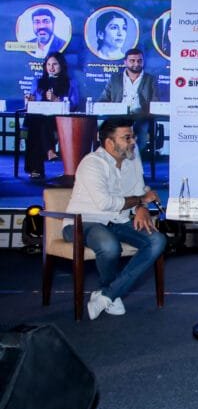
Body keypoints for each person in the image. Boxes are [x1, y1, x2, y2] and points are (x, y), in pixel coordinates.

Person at [63, 117, 167, 320]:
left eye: (133, 136)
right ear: (109, 143)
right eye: (127, 138)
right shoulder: (92, 163)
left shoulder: (132, 158)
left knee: (157, 240)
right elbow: (105, 203)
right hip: (84, 222)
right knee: (109, 246)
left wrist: (141, 207)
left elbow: (140, 190)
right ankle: (111, 293)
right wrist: (140, 200)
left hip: (118, 221)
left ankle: (107, 294)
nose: (133, 141)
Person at [24, 51, 81, 179]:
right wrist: (29, 100)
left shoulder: (70, 82)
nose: (51, 67)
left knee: (41, 124)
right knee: (38, 123)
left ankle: (37, 167)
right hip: (39, 117)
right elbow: (32, 101)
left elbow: (74, 104)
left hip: (59, 119)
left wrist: (56, 100)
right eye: (48, 64)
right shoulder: (38, 81)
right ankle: (49, 151)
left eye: (55, 64)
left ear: (61, 65)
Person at [99, 48, 158, 153]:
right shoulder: (115, 79)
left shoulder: (150, 79)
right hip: (117, 115)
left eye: (139, 60)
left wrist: (144, 111)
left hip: (141, 116)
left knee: (140, 132)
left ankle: (133, 157)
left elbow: (155, 101)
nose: (136, 64)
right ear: (125, 62)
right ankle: (115, 156)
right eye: (132, 61)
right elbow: (103, 99)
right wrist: (107, 107)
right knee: (110, 132)